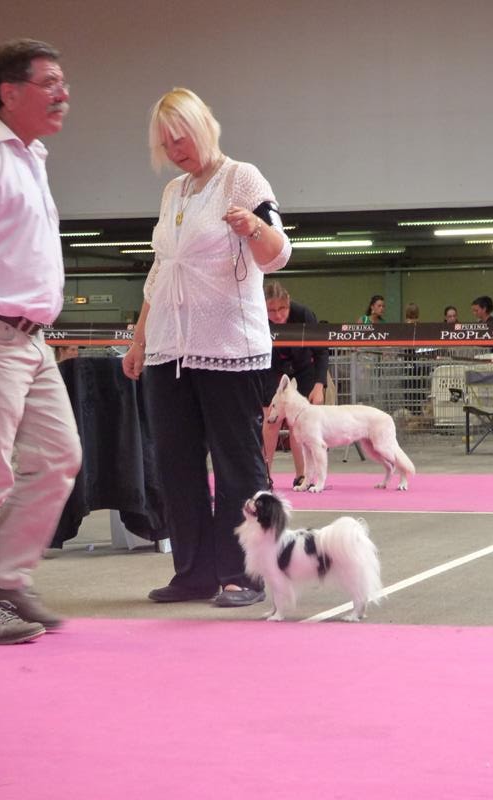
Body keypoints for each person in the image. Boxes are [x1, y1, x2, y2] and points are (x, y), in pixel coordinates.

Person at [122, 88, 291, 608]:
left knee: (238, 464)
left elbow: (278, 253)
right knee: (176, 464)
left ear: (204, 127)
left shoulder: (242, 178)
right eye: (165, 143)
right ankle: (193, 573)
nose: (175, 150)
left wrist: (254, 227)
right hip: (168, 350)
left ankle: (247, 573)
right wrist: (139, 339)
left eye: (182, 138)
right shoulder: (173, 192)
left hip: (229, 348)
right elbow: (160, 270)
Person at [0, 38, 82, 644]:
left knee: (58, 458)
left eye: (63, 82)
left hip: (33, 342)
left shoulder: (32, 156)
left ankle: (6, 580)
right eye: (48, 82)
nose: (63, 93)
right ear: (8, 92)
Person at [262, 281, 328, 487]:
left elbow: (321, 350)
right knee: (270, 420)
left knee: (300, 423)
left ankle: (303, 476)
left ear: (289, 301)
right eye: (271, 310)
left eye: (282, 308)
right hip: (270, 366)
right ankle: (264, 476)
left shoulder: (304, 314)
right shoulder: (258, 316)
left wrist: (319, 384)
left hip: (303, 365)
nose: (278, 315)